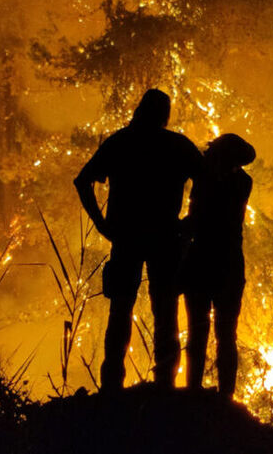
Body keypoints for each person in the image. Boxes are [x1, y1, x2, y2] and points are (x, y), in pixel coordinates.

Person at [74, 89, 202, 392]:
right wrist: (191, 221)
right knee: (166, 312)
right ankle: (165, 388)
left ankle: (111, 390)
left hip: (126, 237)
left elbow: (83, 181)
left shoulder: (121, 142)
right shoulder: (177, 145)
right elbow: (208, 180)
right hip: (166, 238)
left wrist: (101, 223)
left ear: (139, 110)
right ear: (164, 114)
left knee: (120, 310)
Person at [182, 133, 254, 398]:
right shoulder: (242, 181)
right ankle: (222, 397)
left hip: (204, 260)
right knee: (223, 334)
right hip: (228, 264)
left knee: (201, 331)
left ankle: (195, 392)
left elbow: (197, 219)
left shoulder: (207, 179)